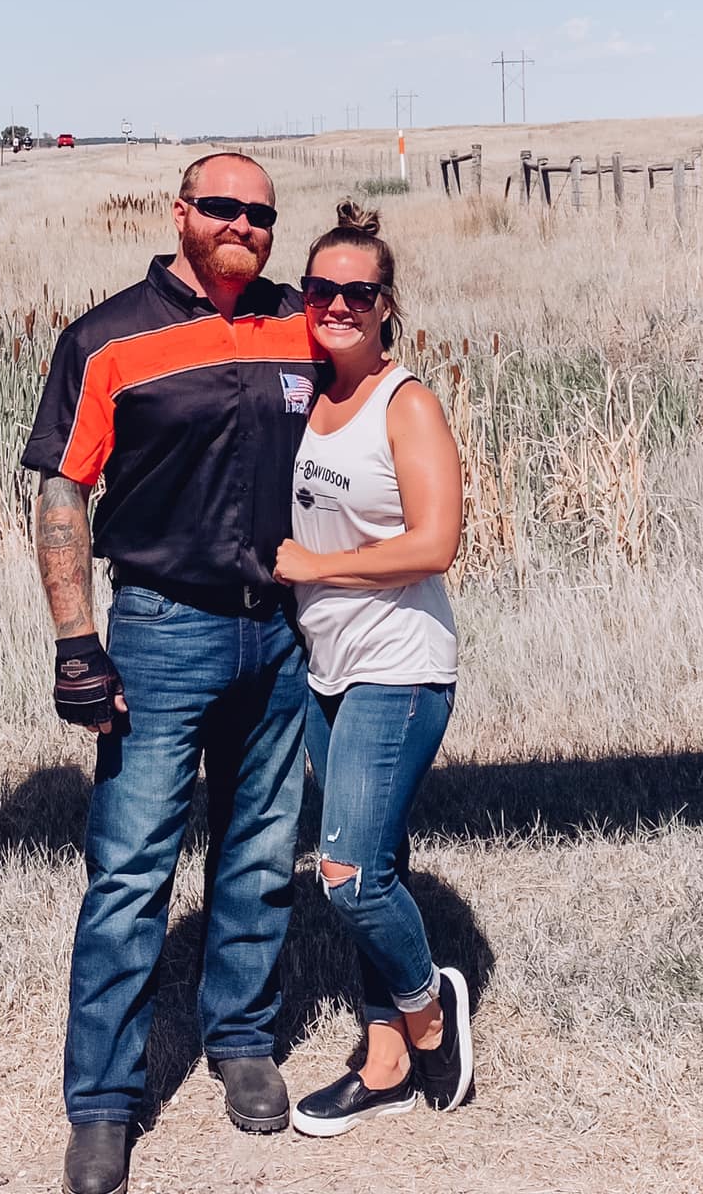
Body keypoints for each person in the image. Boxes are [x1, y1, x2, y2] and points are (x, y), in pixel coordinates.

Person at [21, 154, 324, 1194]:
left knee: (258, 848)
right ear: (182, 213)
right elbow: (65, 486)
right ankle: (103, 1101)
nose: (246, 222)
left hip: (280, 631)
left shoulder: (302, 326)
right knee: (131, 870)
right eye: (225, 206)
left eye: (263, 212)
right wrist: (76, 636)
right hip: (159, 629)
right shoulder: (107, 337)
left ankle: (241, 1035)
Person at [273, 202, 471, 1137]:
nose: (338, 304)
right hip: (327, 668)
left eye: (359, 292)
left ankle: (429, 1010)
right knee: (376, 858)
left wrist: (318, 567)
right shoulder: (307, 393)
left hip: (399, 664)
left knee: (347, 874)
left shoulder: (407, 402)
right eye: (322, 289)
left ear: (386, 304)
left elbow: (436, 544)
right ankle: (385, 1060)